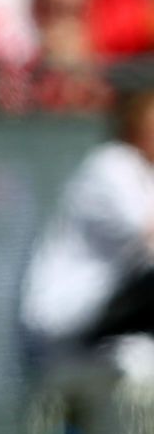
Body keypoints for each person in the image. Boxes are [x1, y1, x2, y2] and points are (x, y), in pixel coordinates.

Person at [20, 89, 154, 360]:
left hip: (109, 323)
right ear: (135, 126)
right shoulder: (111, 164)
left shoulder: (146, 175)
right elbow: (147, 231)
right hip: (66, 318)